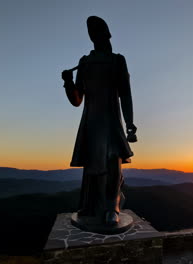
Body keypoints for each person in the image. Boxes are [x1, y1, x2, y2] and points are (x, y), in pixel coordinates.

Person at [61, 16, 137, 225]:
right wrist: (68, 83)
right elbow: (77, 100)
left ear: (106, 34)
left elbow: (125, 94)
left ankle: (112, 206)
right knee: (93, 163)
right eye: (94, 32)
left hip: (111, 119)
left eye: (100, 31)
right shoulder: (84, 63)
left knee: (113, 161)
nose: (100, 36)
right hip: (92, 120)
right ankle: (92, 204)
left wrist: (130, 123)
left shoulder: (117, 61)